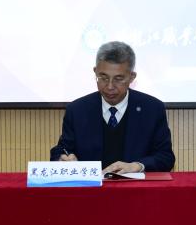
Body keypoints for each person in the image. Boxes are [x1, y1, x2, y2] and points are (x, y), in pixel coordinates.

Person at [49, 41, 175, 173]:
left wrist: (137, 166)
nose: (109, 86)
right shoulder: (77, 110)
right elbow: (62, 150)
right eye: (103, 77)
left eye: (118, 79)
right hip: (92, 186)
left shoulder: (152, 109)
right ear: (95, 72)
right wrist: (63, 159)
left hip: (135, 185)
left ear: (132, 77)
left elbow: (165, 157)